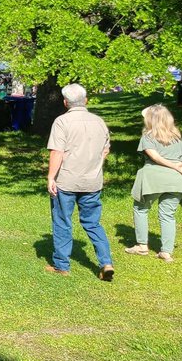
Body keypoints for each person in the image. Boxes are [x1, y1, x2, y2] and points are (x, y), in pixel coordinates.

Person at [45, 83, 114, 280]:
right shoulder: (99, 122)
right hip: (92, 181)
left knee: (62, 221)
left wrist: (51, 177)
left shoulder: (61, 122)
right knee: (93, 223)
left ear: (65, 102)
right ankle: (106, 262)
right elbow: (105, 150)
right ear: (86, 100)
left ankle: (62, 265)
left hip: (66, 180)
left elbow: (57, 151)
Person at [126, 104, 182, 262]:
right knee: (168, 215)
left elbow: (155, 157)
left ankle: (142, 246)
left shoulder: (148, 136)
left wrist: (175, 166)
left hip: (153, 179)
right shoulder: (176, 137)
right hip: (176, 181)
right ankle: (166, 252)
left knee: (141, 208)